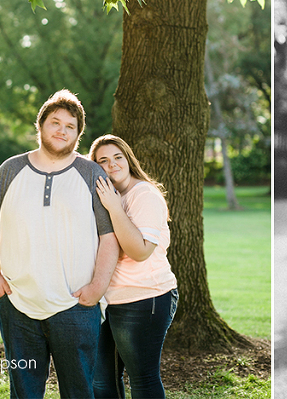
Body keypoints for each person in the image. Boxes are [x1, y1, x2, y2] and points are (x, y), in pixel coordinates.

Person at [0, 89, 119, 398]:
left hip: (76, 305)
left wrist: (97, 287)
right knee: (24, 393)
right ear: (40, 125)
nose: (62, 131)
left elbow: (109, 235)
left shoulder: (91, 174)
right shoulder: (10, 170)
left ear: (78, 135)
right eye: (55, 122)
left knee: (79, 392)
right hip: (17, 304)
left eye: (70, 126)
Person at [89, 134, 179, 399]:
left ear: (128, 159)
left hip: (144, 298)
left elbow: (140, 251)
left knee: (143, 380)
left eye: (118, 157)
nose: (112, 164)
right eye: (103, 160)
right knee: (101, 380)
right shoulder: (102, 196)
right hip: (106, 301)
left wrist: (114, 208)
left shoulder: (144, 195)